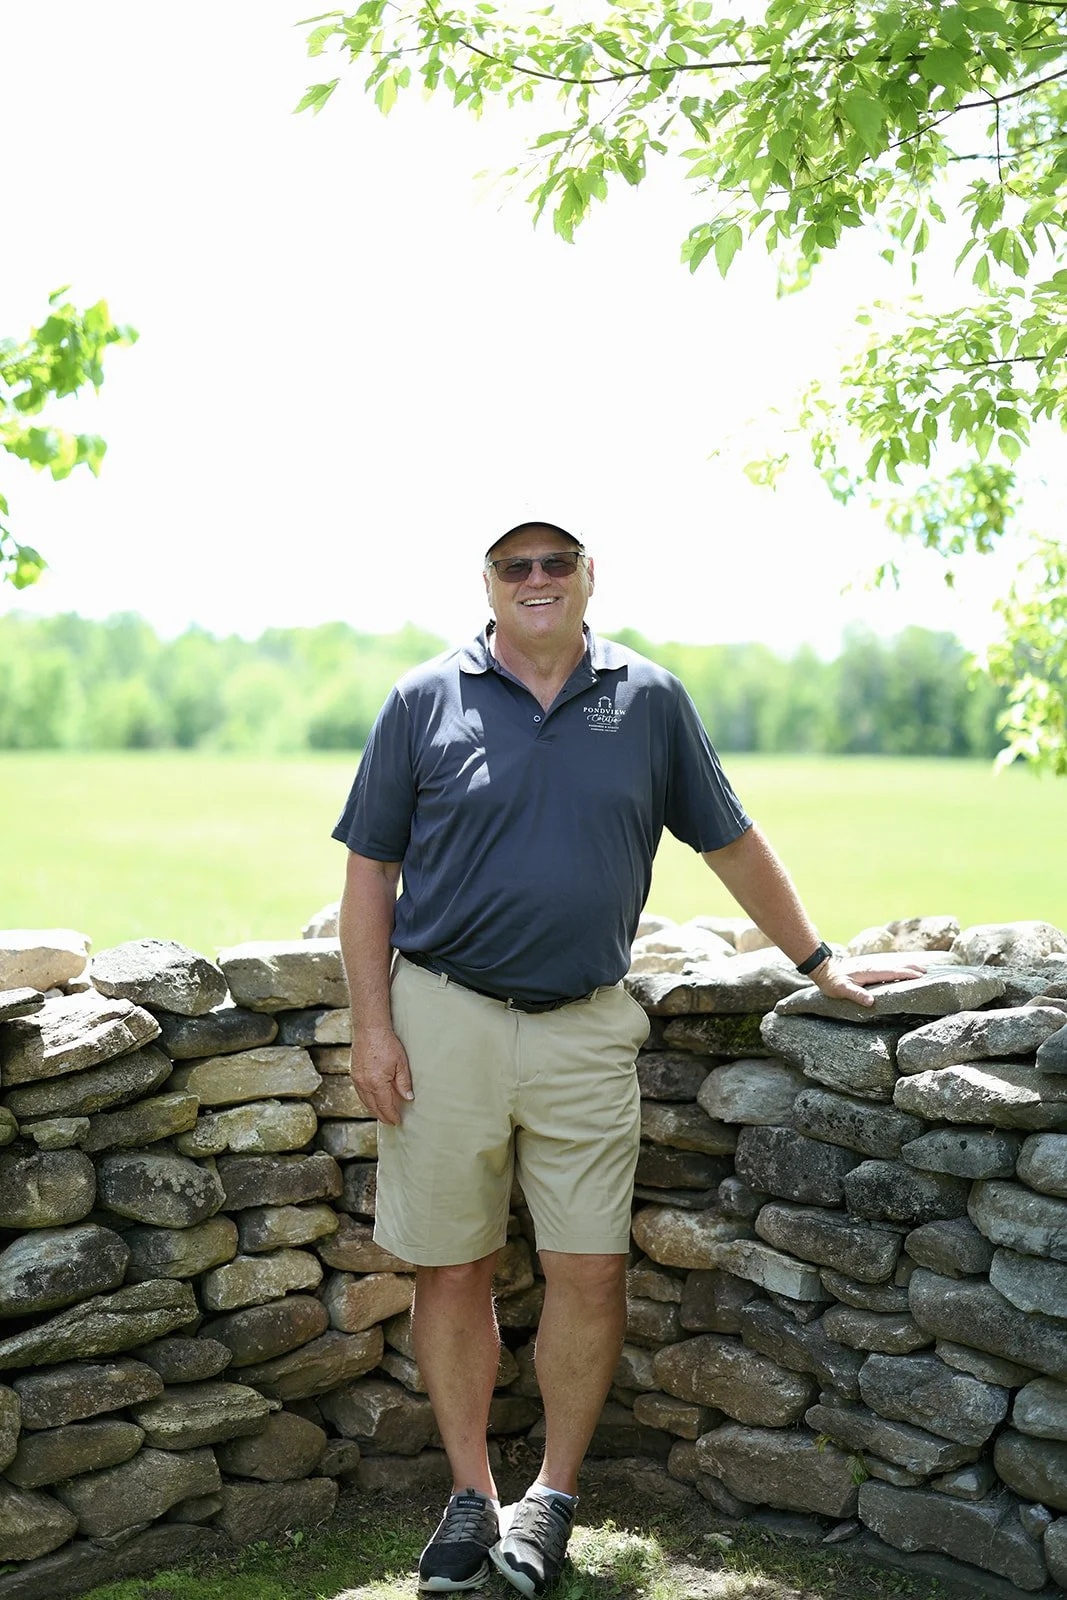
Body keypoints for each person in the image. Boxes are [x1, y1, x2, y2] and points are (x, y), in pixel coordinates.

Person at [332, 518, 921, 1597]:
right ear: (489, 583)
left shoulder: (647, 700)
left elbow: (728, 839)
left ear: (589, 575)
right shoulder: (423, 698)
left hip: (585, 1023)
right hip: (441, 1019)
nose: (539, 579)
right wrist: (371, 1026)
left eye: (558, 561)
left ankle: (549, 1497)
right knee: (450, 1264)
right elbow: (370, 873)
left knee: (588, 1266)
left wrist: (819, 959)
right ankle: (470, 1494)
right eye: (518, 566)